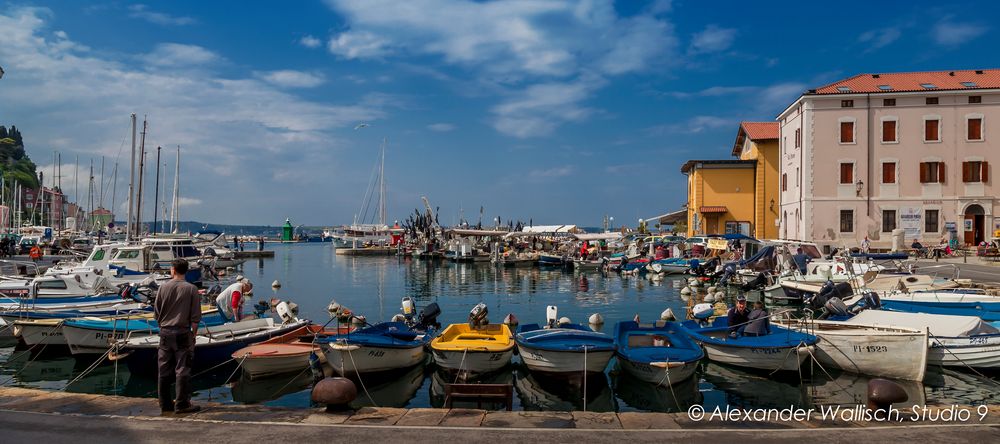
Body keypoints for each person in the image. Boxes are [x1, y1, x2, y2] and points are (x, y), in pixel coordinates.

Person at [153, 259, 202, 415]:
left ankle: (165, 403)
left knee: (164, 369)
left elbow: (157, 314)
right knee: (182, 369)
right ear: (186, 271)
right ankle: (181, 404)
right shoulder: (192, 289)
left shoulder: (162, 288)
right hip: (182, 332)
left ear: (173, 270)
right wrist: (193, 336)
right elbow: (195, 319)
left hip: (165, 332)